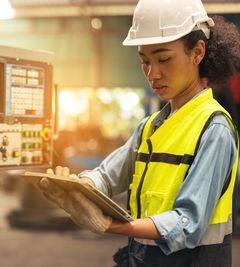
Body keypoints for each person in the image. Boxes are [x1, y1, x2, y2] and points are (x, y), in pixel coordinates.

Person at [37, 0, 240, 266]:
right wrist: (78, 189)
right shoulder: (150, 126)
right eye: (144, 61)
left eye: (164, 59)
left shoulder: (214, 129)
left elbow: (187, 222)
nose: (152, 73)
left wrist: (111, 225)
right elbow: (108, 176)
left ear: (197, 52)